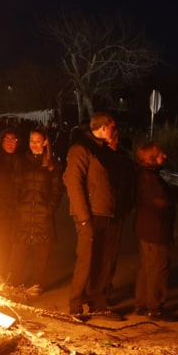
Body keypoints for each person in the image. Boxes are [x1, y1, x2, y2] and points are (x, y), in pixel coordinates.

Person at [63, 112, 128, 320]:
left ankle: (98, 303)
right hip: (90, 214)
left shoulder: (104, 150)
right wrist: (83, 217)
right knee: (87, 259)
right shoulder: (81, 149)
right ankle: (75, 305)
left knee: (105, 260)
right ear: (103, 128)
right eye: (113, 127)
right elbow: (73, 184)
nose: (115, 131)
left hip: (108, 213)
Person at [5, 129, 65, 291]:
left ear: (45, 142)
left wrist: (49, 209)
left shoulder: (53, 165)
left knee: (42, 256)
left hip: (43, 216)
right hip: (23, 215)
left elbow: (57, 190)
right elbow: (15, 187)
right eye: (32, 140)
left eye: (38, 141)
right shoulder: (22, 162)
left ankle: (37, 285)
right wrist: (18, 207)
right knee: (18, 253)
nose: (34, 144)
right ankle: (12, 283)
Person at [133, 141, 173, 319]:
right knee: (158, 267)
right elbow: (160, 201)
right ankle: (154, 306)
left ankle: (142, 304)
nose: (164, 156)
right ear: (151, 159)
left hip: (146, 228)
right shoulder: (149, 178)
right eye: (160, 154)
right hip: (155, 228)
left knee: (147, 267)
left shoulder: (145, 175)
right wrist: (173, 197)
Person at [0, 129, 23, 278]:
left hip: (13, 210)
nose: (10, 143)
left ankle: (3, 274)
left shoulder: (20, 161)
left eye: (14, 140)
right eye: (7, 140)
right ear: (1, 141)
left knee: (7, 245)